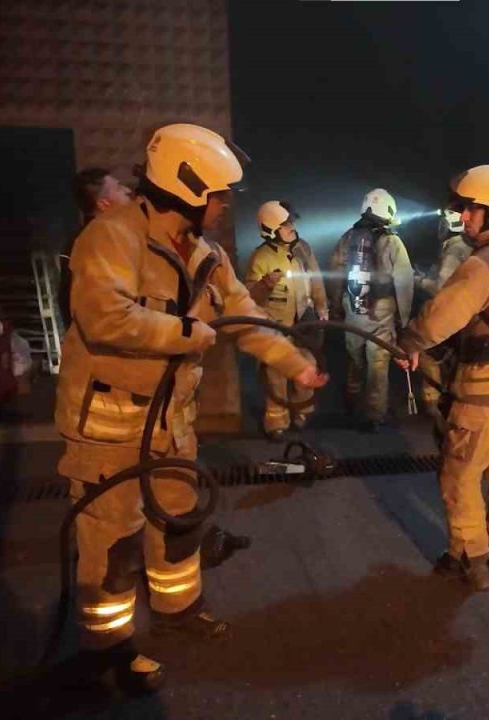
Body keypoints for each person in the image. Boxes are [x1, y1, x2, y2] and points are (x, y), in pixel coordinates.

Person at [55, 123, 328, 691]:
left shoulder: (207, 255)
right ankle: (107, 652)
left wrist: (294, 364)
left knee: (179, 523)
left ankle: (178, 612)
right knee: (113, 546)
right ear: (188, 189)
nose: (226, 206)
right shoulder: (112, 238)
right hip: (108, 428)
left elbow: (246, 317)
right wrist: (188, 332)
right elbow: (104, 318)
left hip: (170, 425)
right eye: (220, 195)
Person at [395, 164, 489, 592]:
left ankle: (469, 560)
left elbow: (443, 315)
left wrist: (410, 341)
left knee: (458, 476)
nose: (464, 217)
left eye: (472, 209)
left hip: (484, 393)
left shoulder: (485, 262)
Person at [327, 189, 414, 432]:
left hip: (353, 308)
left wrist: (336, 305)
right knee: (378, 365)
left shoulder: (347, 238)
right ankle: (374, 415)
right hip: (381, 313)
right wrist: (404, 319)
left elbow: (334, 274)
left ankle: (351, 401)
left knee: (355, 359)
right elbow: (404, 283)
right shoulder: (393, 242)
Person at [243, 200, 329, 440]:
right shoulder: (260, 258)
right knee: (275, 376)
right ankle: (276, 422)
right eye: (286, 224)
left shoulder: (303, 249)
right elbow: (248, 297)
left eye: (292, 222)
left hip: (304, 325)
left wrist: (321, 306)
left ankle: (301, 415)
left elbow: (316, 279)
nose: (293, 227)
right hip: (276, 327)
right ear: (271, 229)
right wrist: (264, 285)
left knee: (306, 366)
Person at [414, 207, 473, 428]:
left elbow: (440, 287)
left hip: (449, 313)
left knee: (427, 352)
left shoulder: (454, 249)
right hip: (464, 314)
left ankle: (433, 404)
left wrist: (418, 280)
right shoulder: (464, 245)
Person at [60, 169, 135, 326]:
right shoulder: (96, 244)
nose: (128, 191)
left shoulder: (115, 237)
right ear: (103, 204)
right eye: (119, 188)